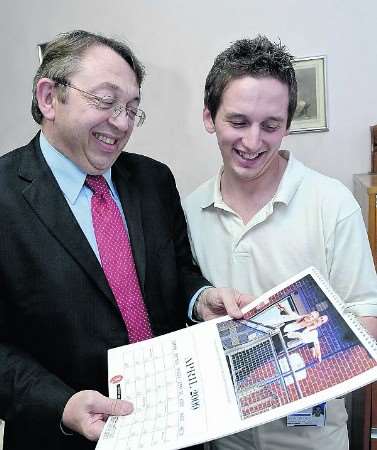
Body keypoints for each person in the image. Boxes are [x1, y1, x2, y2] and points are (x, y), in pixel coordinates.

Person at [0, 30, 250, 450]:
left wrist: (199, 298)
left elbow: (178, 273)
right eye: (105, 101)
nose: (121, 122)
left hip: (176, 429)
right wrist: (61, 404)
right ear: (49, 98)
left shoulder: (153, 179)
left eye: (132, 108)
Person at [184, 35, 377, 450]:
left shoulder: (332, 203)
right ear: (208, 116)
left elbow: (369, 319)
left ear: (287, 125)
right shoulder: (189, 209)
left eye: (270, 126)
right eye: (237, 122)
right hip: (225, 438)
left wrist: (285, 359)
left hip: (312, 436)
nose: (253, 143)